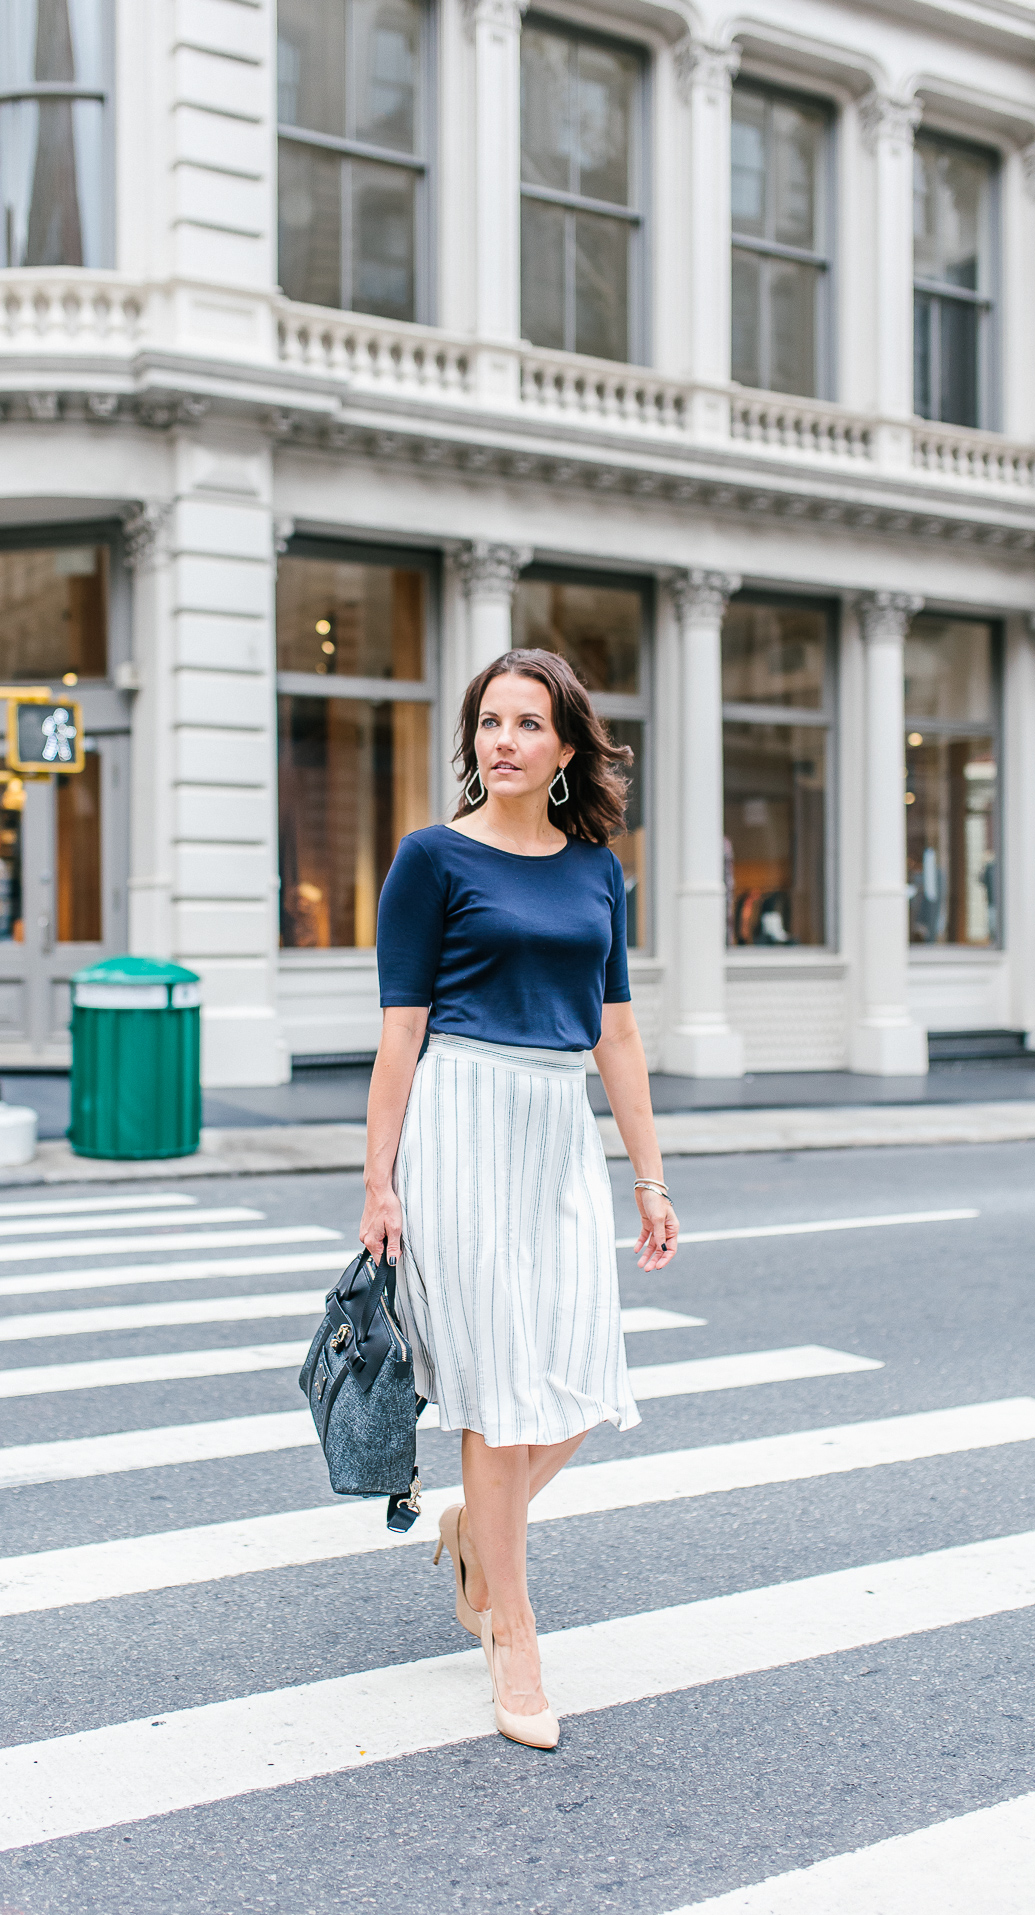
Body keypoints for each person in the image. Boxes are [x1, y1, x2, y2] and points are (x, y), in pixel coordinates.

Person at [360, 647, 679, 1751]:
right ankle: (513, 1633)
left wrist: (647, 1175)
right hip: (458, 1120)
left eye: (525, 723)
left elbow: (617, 1033)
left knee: (583, 1377)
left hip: (554, 1126)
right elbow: (400, 1034)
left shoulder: (595, 869)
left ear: (564, 746)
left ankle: (472, 1535)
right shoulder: (430, 859)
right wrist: (378, 1184)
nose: (502, 739)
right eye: (488, 721)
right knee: (494, 1396)